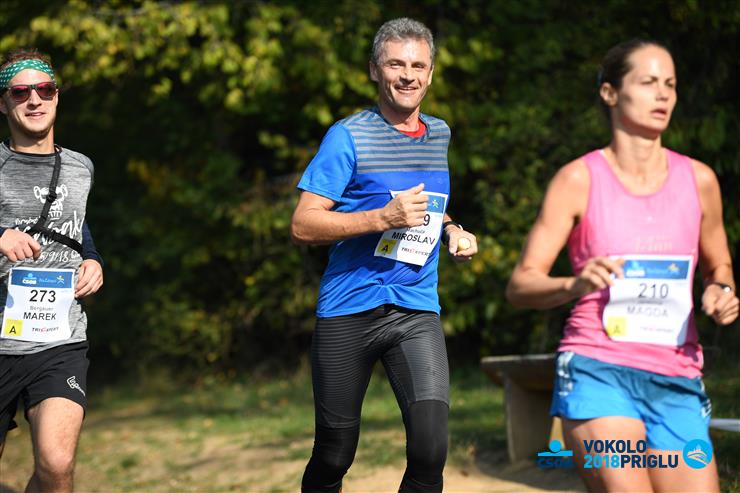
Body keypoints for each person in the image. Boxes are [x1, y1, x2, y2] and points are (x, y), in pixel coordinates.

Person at [506, 39, 738, 492]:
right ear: (610, 93)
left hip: (677, 375)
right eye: (648, 82)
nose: (663, 94)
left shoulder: (700, 180)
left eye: (670, 84)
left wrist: (721, 291)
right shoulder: (578, 179)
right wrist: (574, 284)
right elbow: (521, 285)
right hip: (598, 368)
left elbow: (720, 266)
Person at [291, 17, 478, 493]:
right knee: (334, 455)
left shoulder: (439, 133)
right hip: (349, 309)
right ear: (375, 70)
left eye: (418, 66)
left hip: (415, 308)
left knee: (430, 450)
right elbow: (303, 223)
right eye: (396, 64)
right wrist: (380, 218)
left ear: (431, 73)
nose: (408, 76)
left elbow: (428, 203)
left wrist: (452, 229)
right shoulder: (347, 136)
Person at [0, 48, 104, 493]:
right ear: (3, 102)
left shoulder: (81, 167)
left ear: (57, 96)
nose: (34, 100)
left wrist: (94, 260)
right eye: (20, 92)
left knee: (57, 465)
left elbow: (78, 225)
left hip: (59, 339)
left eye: (44, 89)